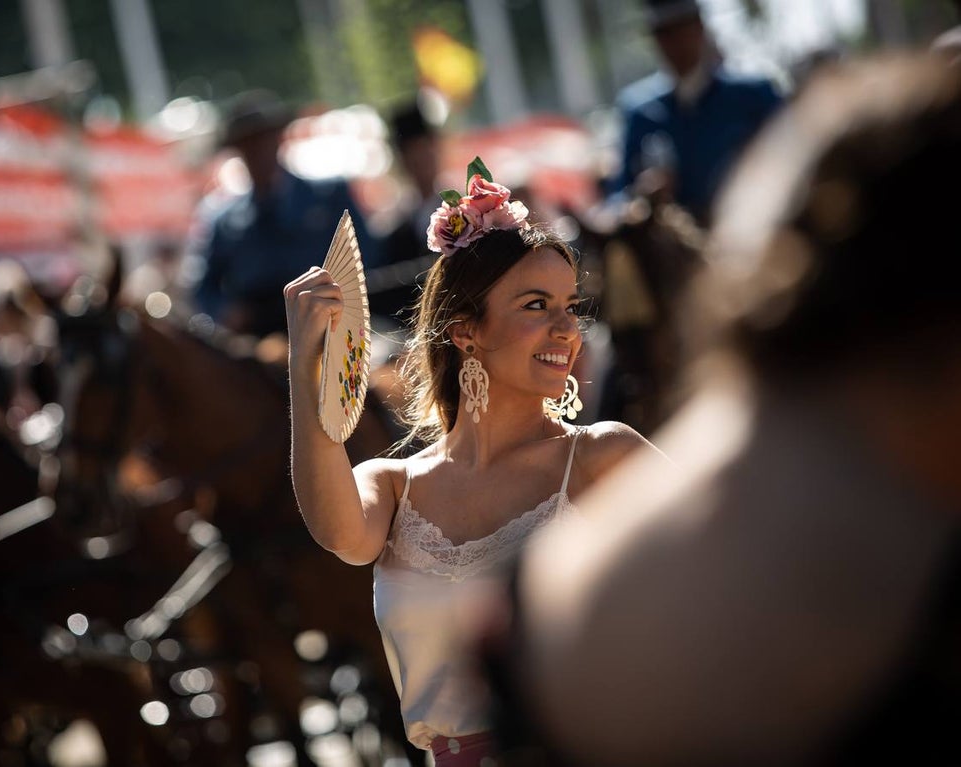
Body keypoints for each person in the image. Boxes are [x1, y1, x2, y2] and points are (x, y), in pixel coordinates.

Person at [487, 52, 961, 766]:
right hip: (755, 275)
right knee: (617, 370)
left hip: (739, 252)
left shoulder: (750, 93)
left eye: (685, 23)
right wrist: (631, 205)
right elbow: (617, 193)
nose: (678, 34)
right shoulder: (644, 108)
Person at [283, 159, 663, 766]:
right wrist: (306, 372)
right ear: (465, 332)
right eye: (537, 305)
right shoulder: (391, 484)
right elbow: (336, 532)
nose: (568, 328)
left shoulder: (602, 455)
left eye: (571, 305)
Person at [192, 89, 379, 338]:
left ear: (280, 139)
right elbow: (202, 287)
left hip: (331, 326)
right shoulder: (224, 221)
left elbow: (369, 255)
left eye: (264, 139)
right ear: (239, 150)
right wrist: (225, 311)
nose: (258, 151)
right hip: (258, 339)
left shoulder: (329, 196)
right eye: (249, 143)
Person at [606, 0, 784, 228]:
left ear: (699, 27)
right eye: (664, 33)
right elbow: (617, 197)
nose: (674, 43)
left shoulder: (753, 96)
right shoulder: (639, 110)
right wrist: (640, 195)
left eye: (681, 28)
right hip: (676, 249)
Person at [370, 96, 444, 327]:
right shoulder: (394, 231)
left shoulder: (471, 210)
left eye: (425, 149)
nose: (420, 160)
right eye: (412, 153)